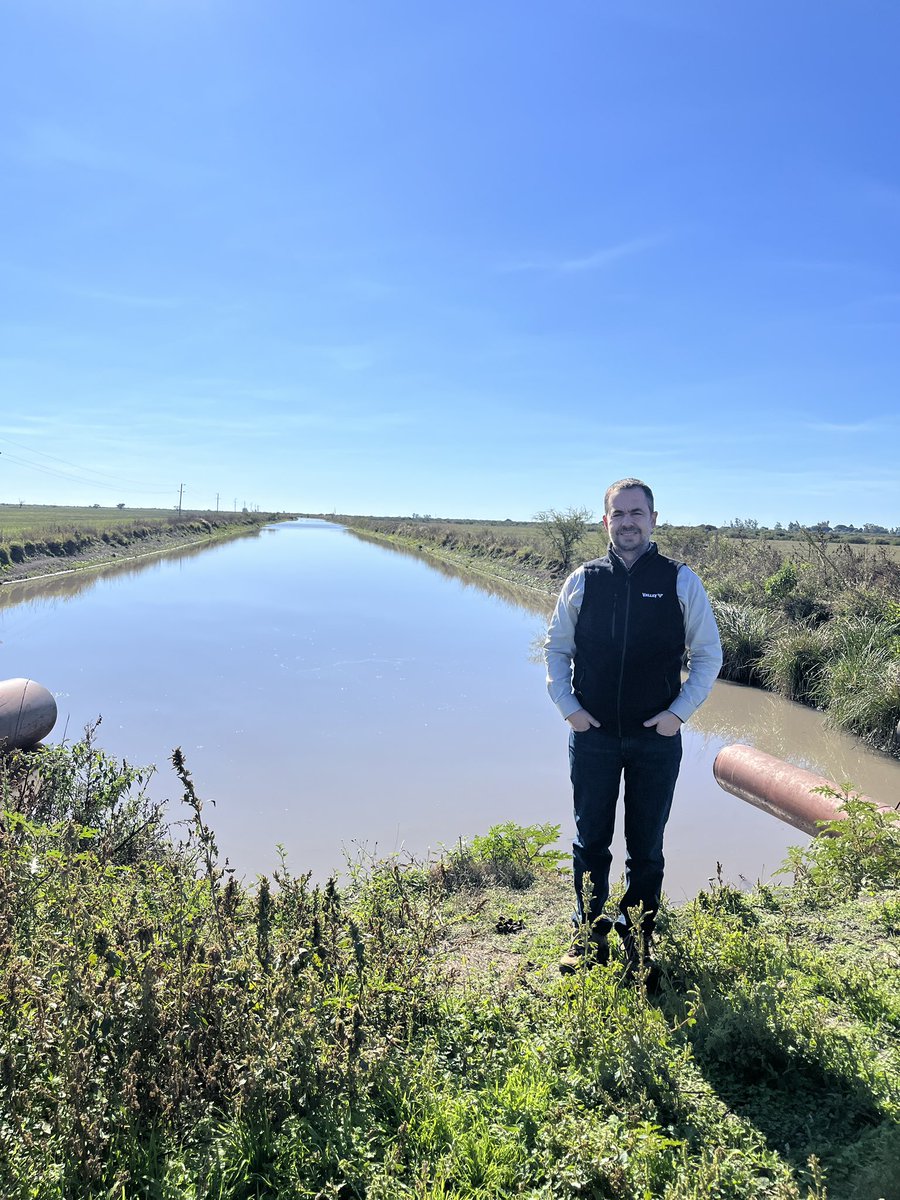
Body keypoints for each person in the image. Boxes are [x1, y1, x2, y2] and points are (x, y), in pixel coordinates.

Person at [544, 477, 722, 981]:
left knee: (646, 846)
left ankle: (638, 937)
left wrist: (677, 714)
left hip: (655, 740)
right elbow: (556, 648)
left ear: (653, 519)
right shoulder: (584, 580)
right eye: (618, 514)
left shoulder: (679, 580)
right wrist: (569, 707)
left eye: (636, 513)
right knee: (590, 841)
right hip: (593, 736)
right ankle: (588, 934)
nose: (628, 523)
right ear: (606, 521)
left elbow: (708, 655)